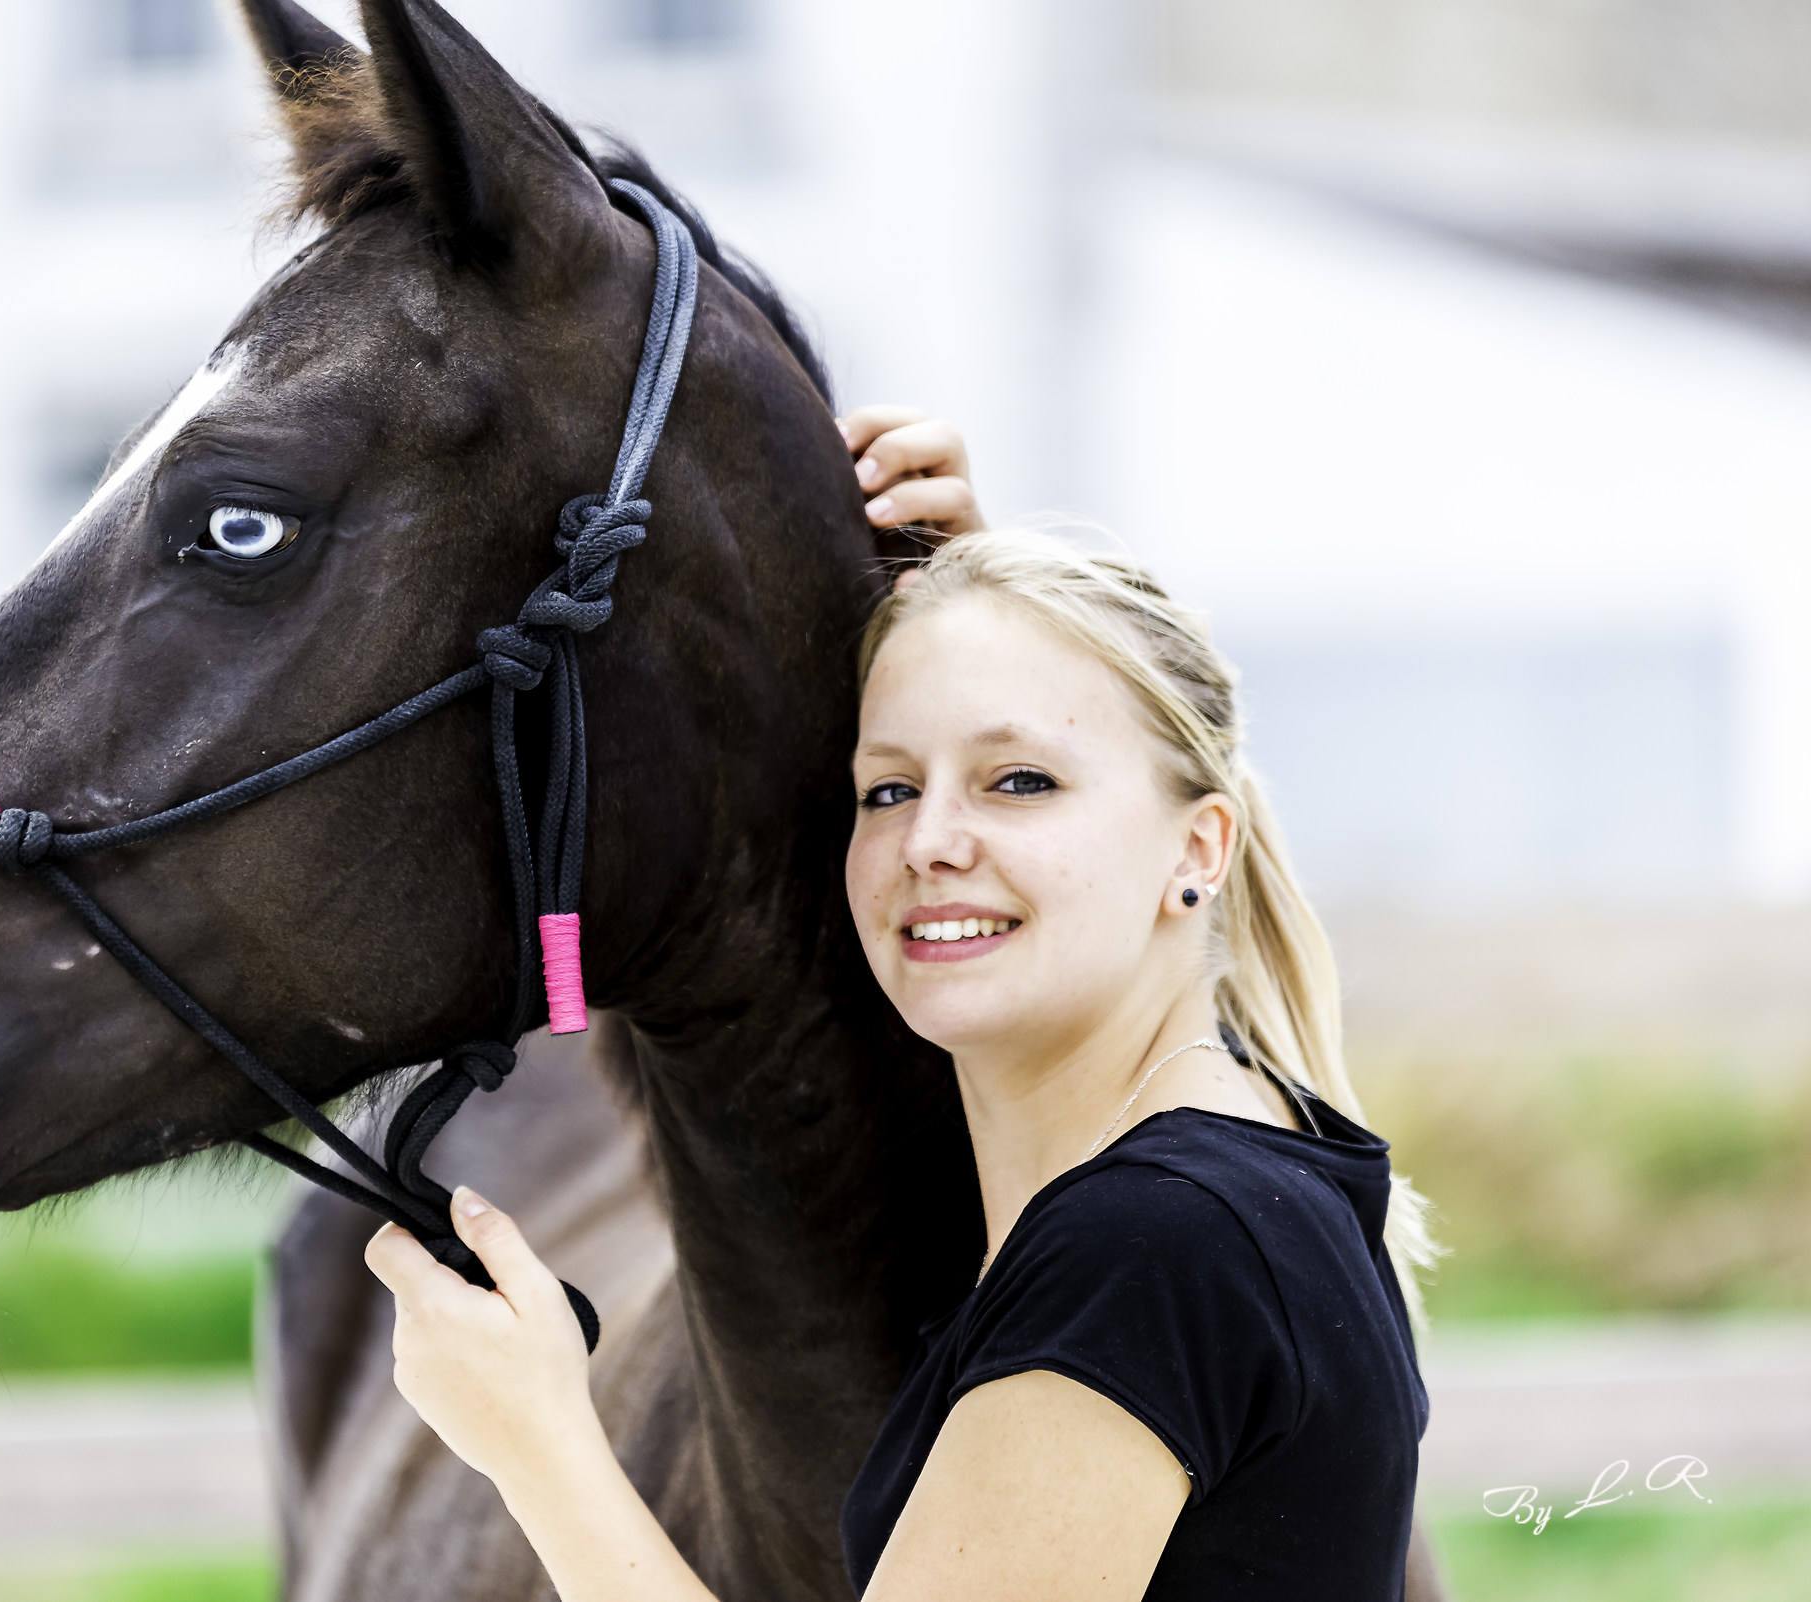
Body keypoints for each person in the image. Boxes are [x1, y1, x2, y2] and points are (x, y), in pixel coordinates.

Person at [362, 408, 1437, 1600]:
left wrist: (537, 1445)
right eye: (886, 789)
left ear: (1201, 847)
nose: (929, 842)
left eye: (1019, 781)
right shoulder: (1259, 1149)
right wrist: (985, 614)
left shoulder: (1146, 1251)